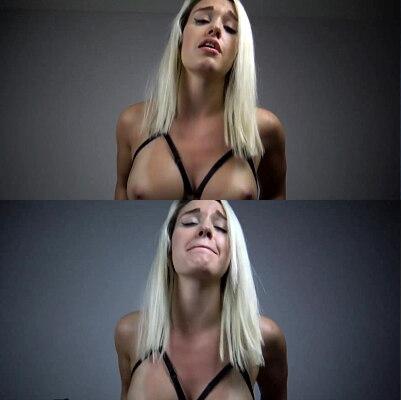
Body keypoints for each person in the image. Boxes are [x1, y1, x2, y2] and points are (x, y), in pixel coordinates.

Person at [114, 200, 287, 399]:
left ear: (232, 253)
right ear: (169, 246)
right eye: (190, 222)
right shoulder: (130, 333)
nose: (206, 228)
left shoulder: (262, 338)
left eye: (221, 227)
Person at [115, 0, 286, 200]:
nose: (216, 28)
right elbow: (121, 195)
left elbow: (276, 198)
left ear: (239, 51)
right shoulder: (132, 122)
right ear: (180, 37)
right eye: (202, 20)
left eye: (230, 28)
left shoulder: (264, 129)